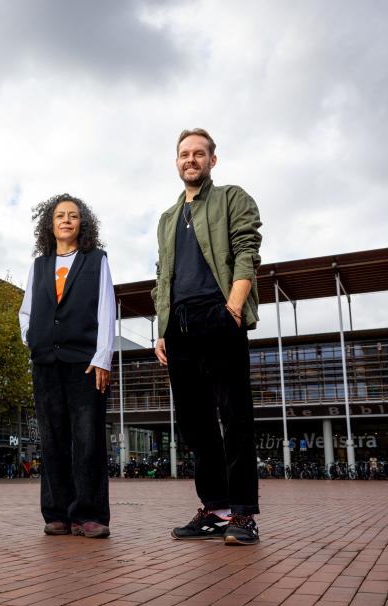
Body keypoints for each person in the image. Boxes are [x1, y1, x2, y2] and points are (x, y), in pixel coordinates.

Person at [152, 128, 263, 545]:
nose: (191, 160)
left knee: (235, 419)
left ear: (212, 160)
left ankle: (243, 514)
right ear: (176, 161)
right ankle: (215, 508)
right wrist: (160, 329)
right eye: (184, 154)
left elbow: (247, 251)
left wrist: (232, 310)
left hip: (219, 316)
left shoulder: (232, 198)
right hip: (178, 326)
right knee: (196, 424)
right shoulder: (166, 218)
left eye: (199, 154)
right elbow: (162, 277)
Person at [19, 194, 115, 538]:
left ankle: (89, 514)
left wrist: (103, 356)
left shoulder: (96, 260)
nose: (66, 220)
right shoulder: (39, 265)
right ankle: (57, 513)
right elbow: (26, 311)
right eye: (60, 215)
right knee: (52, 439)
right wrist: (33, 339)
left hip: (85, 363)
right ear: (50, 223)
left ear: (82, 224)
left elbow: (107, 310)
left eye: (73, 216)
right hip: (46, 362)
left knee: (87, 439)